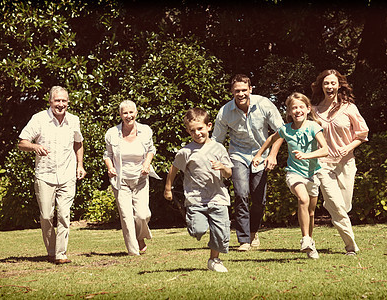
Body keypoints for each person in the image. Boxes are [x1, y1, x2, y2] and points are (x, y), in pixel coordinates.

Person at [212, 74, 285, 251]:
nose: (241, 94)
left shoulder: (264, 104)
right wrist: (214, 163)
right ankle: (244, 240)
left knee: (259, 199)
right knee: (241, 194)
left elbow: (282, 131)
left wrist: (273, 155)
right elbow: (216, 141)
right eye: (237, 91)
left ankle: (253, 231)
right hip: (238, 155)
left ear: (250, 89)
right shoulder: (225, 112)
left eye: (244, 90)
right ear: (232, 92)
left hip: (261, 155)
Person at [252, 92, 328, 259]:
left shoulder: (314, 127)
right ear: (289, 112)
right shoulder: (285, 130)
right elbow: (271, 138)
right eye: (294, 108)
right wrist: (259, 155)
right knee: (303, 199)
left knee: (311, 212)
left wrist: (306, 155)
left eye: (301, 107)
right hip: (294, 173)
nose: (298, 110)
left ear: (308, 109)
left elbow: (325, 150)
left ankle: (310, 242)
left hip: (313, 174)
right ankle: (305, 238)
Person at [18, 86, 86, 264]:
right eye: (57, 101)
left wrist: (80, 165)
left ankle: (60, 253)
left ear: (68, 102)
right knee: (47, 216)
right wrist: (35, 147)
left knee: (64, 214)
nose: (61, 104)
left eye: (64, 101)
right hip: (45, 175)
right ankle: (51, 250)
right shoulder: (39, 119)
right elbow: (22, 143)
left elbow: (78, 143)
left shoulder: (74, 120)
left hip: (67, 174)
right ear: (50, 101)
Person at [164, 108, 233, 272]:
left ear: (209, 126)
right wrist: (168, 188)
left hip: (218, 198)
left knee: (221, 233)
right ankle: (198, 226)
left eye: (200, 128)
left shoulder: (219, 149)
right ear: (188, 131)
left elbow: (229, 174)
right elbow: (173, 170)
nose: (197, 133)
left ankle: (214, 260)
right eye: (192, 130)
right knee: (198, 230)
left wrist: (222, 167)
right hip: (196, 200)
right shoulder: (185, 152)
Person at [311, 69, 369, 255]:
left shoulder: (349, 108)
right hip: (322, 164)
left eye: (333, 83)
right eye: (326, 83)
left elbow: (362, 134)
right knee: (336, 205)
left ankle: (331, 204)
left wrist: (349, 147)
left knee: (343, 205)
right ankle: (351, 245)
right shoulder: (313, 110)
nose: (329, 86)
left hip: (346, 162)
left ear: (339, 85)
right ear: (321, 86)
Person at [104, 100, 159, 256]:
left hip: (140, 178)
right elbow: (107, 155)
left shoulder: (145, 130)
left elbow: (151, 150)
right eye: (125, 113)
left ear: (136, 113)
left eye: (131, 112)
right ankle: (133, 252)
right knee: (127, 217)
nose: (128, 116)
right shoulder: (112, 133)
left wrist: (147, 164)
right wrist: (110, 168)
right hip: (120, 181)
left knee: (143, 214)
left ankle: (140, 236)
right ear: (120, 115)